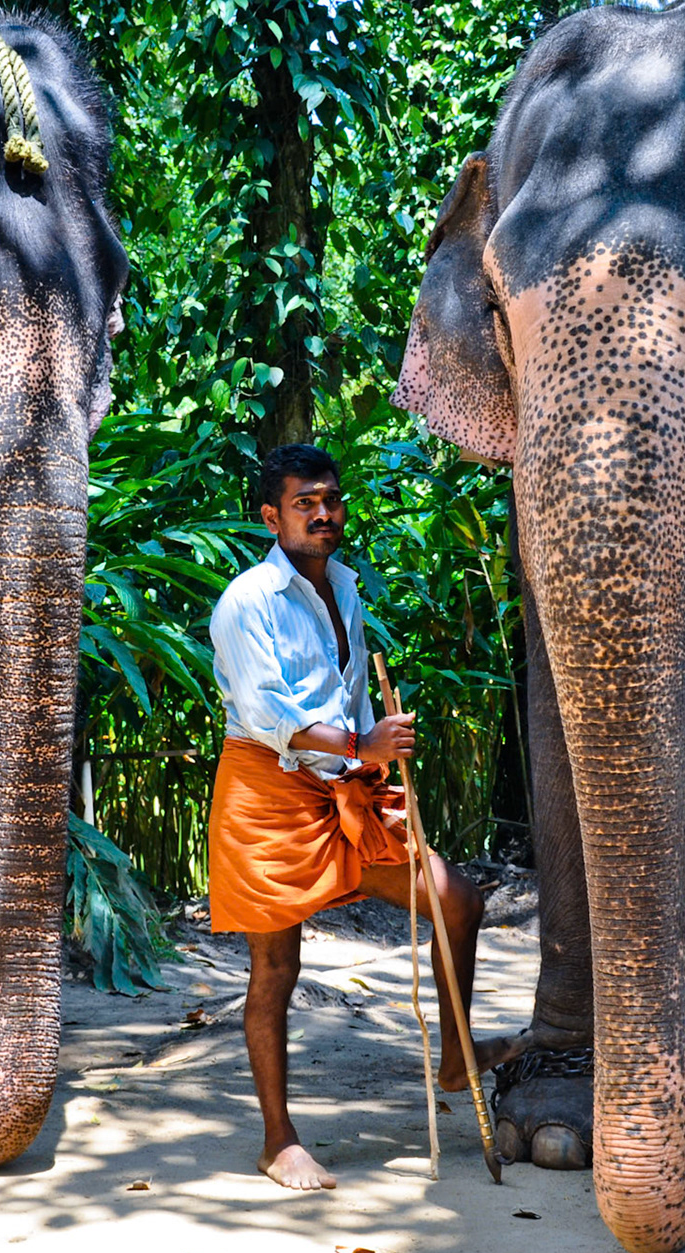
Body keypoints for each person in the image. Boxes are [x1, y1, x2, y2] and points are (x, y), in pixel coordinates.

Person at [207, 443, 504, 1191]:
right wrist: (357, 743)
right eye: (306, 502)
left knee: (453, 896)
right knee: (277, 967)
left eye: (331, 499)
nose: (324, 513)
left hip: (345, 785)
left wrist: (376, 757)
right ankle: (279, 1140)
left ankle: (454, 1058)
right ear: (272, 515)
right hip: (269, 793)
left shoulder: (344, 584)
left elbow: (353, 694)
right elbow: (270, 713)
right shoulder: (247, 600)